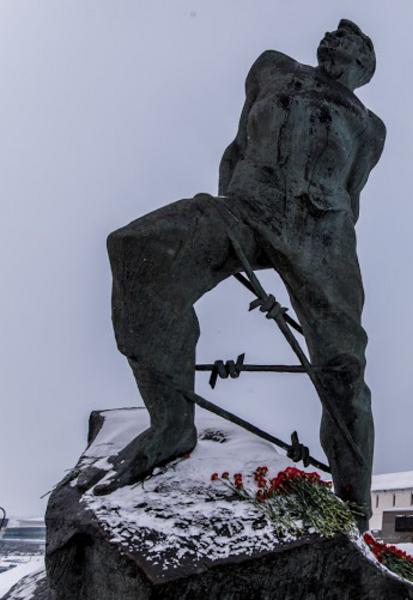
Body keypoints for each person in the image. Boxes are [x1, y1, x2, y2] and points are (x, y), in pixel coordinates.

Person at [97, 19, 386, 531]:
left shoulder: (369, 125)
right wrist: (222, 234)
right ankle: (171, 425)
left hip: (321, 234)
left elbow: (353, 193)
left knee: (343, 369)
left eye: (354, 44)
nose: (338, 43)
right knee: (137, 249)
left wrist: (321, 261)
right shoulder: (272, 67)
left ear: (366, 67)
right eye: (334, 37)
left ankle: (354, 509)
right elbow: (235, 148)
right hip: (246, 207)